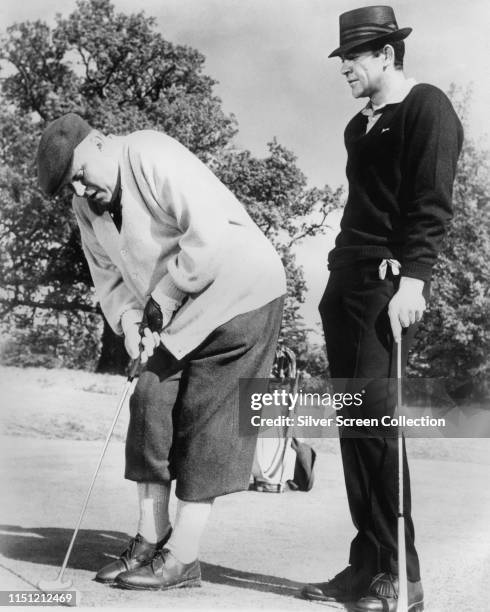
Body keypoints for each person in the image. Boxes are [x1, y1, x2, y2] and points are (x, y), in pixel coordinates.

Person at [36, 114, 286, 591]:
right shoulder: (86, 208)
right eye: (71, 186)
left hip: (242, 289)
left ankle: (184, 557)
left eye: (83, 175)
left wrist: (163, 300)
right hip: (182, 307)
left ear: (102, 143)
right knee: (148, 397)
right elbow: (108, 277)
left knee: (207, 415)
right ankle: (150, 540)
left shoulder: (150, 151)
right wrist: (132, 325)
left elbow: (207, 234)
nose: (82, 191)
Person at [302, 6, 463, 612]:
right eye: (343, 58)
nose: (344, 68)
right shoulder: (357, 127)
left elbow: (431, 202)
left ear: (386, 55)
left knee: (376, 424)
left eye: (353, 58)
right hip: (344, 284)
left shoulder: (427, 108)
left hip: (387, 285)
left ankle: (402, 573)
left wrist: (415, 280)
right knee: (353, 428)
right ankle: (365, 562)